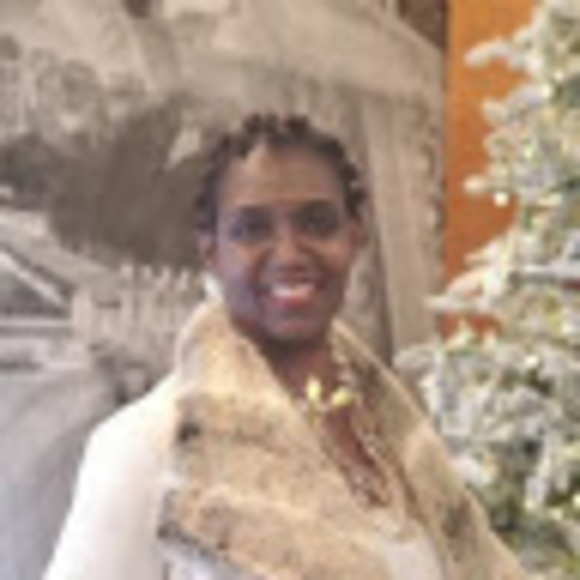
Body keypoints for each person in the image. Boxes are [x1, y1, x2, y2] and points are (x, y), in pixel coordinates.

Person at [44, 113, 525, 580]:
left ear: (354, 236)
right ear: (211, 251)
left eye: (317, 223)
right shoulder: (150, 444)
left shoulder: (405, 450)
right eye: (252, 229)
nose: (290, 255)